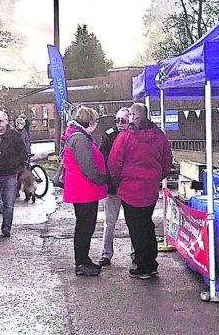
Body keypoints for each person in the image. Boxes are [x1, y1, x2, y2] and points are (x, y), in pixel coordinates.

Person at [108, 103, 173, 280]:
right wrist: (157, 176)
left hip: (130, 189)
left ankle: (142, 265)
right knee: (147, 224)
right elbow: (167, 160)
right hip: (150, 188)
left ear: (133, 116)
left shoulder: (125, 137)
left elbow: (114, 163)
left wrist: (117, 181)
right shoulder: (159, 136)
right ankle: (151, 262)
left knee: (136, 227)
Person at [62, 106, 109, 275]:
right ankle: (81, 263)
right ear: (90, 122)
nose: (97, 124)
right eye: (96, 121)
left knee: (85, 226)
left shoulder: (78, 137)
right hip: (84, 190)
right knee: (84, 227)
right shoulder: (81, 139)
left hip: (82, 189)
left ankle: (84, 259)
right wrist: (103, 178)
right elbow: (88, 167)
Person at [97, 107, 130, 267]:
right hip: (113, 186)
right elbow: (103, 160)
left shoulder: (134, 136)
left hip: (130, 186)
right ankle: (106, 254)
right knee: (109, 222)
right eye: (117, 120)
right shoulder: (109, 136)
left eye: (123, 121)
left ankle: (135, 254)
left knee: (133, 223)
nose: (119, 124)